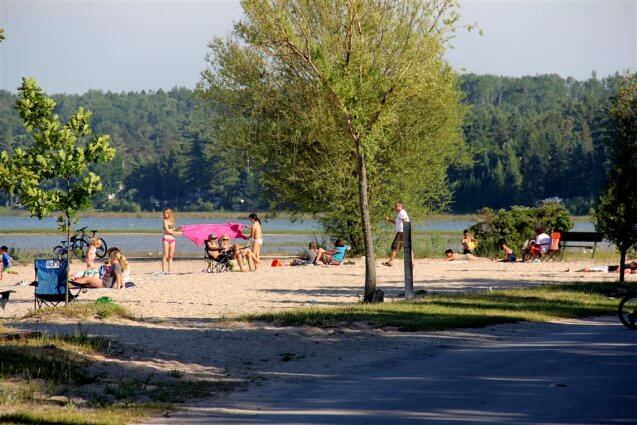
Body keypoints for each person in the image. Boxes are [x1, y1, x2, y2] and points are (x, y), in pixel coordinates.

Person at [382, 202, 409, 267]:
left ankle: (390, 262)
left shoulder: (402, 212)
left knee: (394, 247)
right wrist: (388, 219)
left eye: (396, 206)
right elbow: (396, 223)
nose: (395, 208)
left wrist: (404, 220)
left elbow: (405, 220)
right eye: (395, 206)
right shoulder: (400, 213)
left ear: (401, 206)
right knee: (407, 247)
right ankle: (411, 263)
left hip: (401, 232)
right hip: (403, 232)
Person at [161, 208, 181, 274]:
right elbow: (167, 230)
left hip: (172, 239)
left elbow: (173, 229)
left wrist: (179, 229)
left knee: (170, 256)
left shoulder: (172, 221)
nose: (164, 214)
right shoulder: (164, 221)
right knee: (165, 255)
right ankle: (163, 271)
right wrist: (176, 233)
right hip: (166, 239)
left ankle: (170, 270)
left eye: (166, 213)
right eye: (164, 213)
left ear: (169, 213)